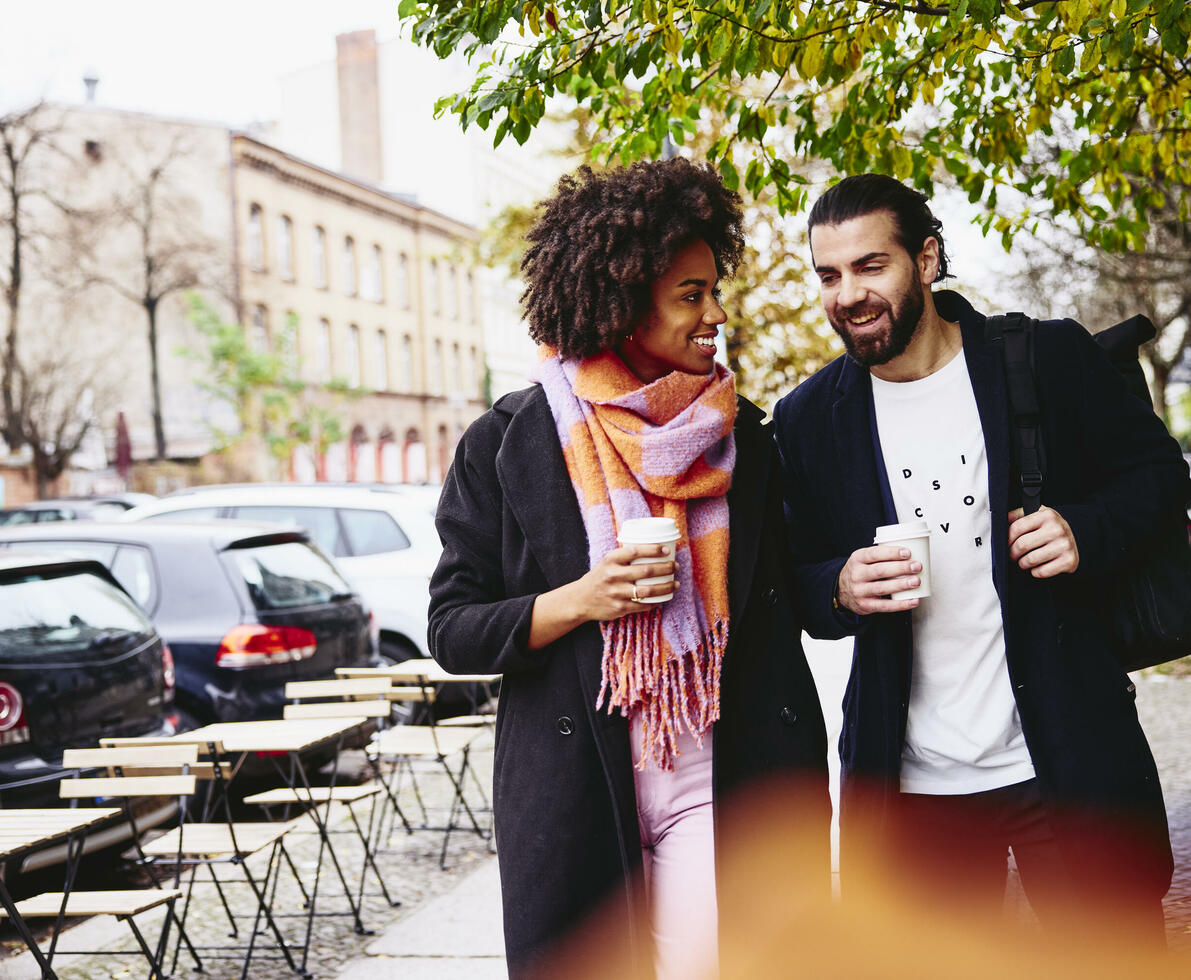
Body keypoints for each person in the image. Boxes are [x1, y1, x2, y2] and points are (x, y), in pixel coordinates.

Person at [429, 158, 830, 978]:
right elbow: (451, 630)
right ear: (620, 302)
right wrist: (580, 600)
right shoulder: (509, 442)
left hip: (720, 781)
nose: (715, 313)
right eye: (691, 294)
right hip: (575, 787)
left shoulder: (743, 439)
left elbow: (799, 588)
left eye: (714, 289)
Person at [773, 173, 1185, 939]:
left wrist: (1082, 531)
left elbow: (1160, 478)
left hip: (1063, 761)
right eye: (828, 274)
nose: (846, 294)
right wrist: (838, 585)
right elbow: (793, 586)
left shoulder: (1043, 359)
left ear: (925, 261)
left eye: (870, 266)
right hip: (910, 789)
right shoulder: (806, 420)